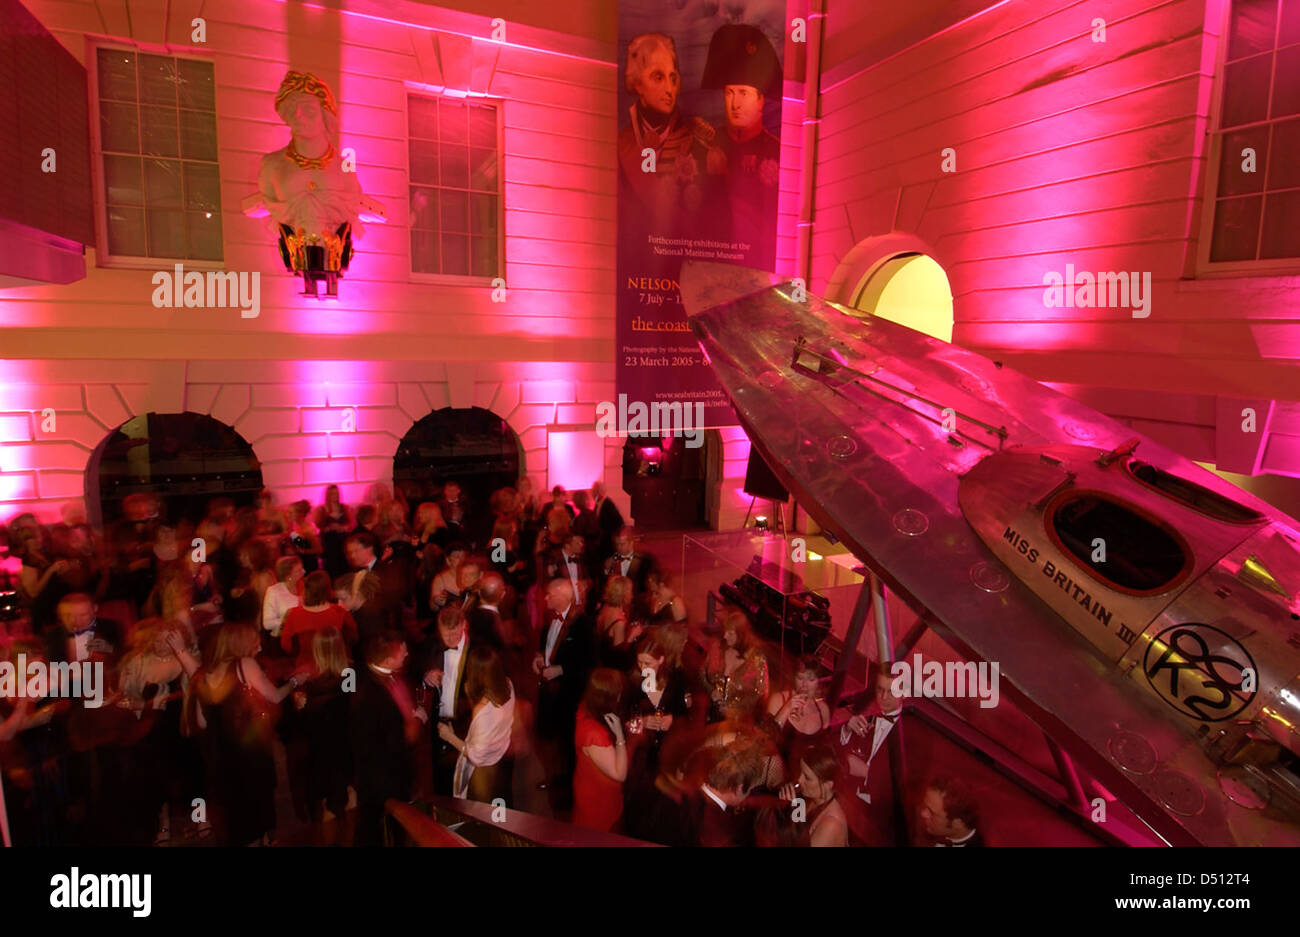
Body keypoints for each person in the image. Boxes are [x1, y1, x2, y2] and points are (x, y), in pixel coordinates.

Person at [185, 620, 303, 846]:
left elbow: (201, 721)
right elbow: (275, 696)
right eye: (254, 643)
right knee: (258, 806)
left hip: (221, 757)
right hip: (250, 752)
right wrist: (296, 681)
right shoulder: (244, 665)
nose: (258, 647)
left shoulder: (201, 676)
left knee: (236, 815)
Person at [617, 32, 723, 236]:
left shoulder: (697, 142)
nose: (669, 89)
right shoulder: (622, 143)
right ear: (638, 84)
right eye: (658, 77)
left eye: (672, 78)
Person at [700, 23, 783, 270]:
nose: (735, 103)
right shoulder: (704, 146)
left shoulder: (777, 152)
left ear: (761, 100)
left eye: (744, 93)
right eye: (729, 93)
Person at [116, 618, 200, 844]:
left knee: (192, 773)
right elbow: (125, 695)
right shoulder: (137, 663)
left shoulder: (188, 657)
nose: (165, 644)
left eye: (169, 640)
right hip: (152, 732)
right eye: (160, 640)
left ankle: (198, 817)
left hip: (183, 725)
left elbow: (201, 684)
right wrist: (132, 705)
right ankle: (163, 822)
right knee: (160, 778)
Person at [350, 630, 424, 846]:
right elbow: (395, 741)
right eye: (402, 652)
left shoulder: (380, 678)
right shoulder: (370, 695)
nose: (407, 653)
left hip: (381, 774)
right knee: (378, 829)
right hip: (382, 778)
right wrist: (415, 722)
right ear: (388, 660)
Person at [532, 578, 595, 813]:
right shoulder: (552, 617)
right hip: (550, 692)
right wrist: (539, 657)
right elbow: (546, 644)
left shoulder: (582, 624)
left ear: (562, 596)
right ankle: (557, 778)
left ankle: (570, 794)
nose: (545, 599)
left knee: (569, 744)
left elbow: (590, 664)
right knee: (553, 739)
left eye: (549, 595)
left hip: (569, 696)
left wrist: (560, 670)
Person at [293, 628, 353, 841]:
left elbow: (306, 727)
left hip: (320, 755)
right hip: (343, 750)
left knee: (321, 811)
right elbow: (349, 707)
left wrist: (301, 708)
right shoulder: (349, 674)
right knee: (340, 806)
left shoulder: (314, 689)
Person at [438, 644, 515, 806]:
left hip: (485, 769)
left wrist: (449, 737)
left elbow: (475, 755)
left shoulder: (483, 710)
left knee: (482, 813)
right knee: (500, 807)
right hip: (501, 758)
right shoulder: (508, 685)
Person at [840, 664, 905, 806]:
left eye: (891, 692)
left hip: (878, 809)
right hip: (849, 796)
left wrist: (867, 773)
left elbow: (904, 789)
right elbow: (842, 750)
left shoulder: (908, 732)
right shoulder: (867, 712)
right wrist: (847, 728)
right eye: (880, 689)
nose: (883, 697)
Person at [571, 667, 627, 832]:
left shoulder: (587, 708)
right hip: (597, 799)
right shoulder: (594, 734)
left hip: (589, 787)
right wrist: (620, 738)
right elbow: (620, 773)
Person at [281, 570, 358, 666]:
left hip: (305, 669)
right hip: (336, 667)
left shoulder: (294, 614)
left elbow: (286, 646)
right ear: (328, 590)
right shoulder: (340, 613)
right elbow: (353, 639)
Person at [704, 610, 769, 723]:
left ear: (741, 635)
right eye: (725, 632)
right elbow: (702, 674)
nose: (725, 636)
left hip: (740, 723)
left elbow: (761, 693)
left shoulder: (756, 659)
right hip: (713, 718)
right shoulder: (717, 648)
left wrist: (734, 708)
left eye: (730, 633)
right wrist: (712, 691)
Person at [778, 743, 848, 846]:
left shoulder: (831, 825)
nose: (799, 780)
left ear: (827, 785)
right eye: (801, 772)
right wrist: (786, 807)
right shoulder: (809, 799)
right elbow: (796, 830)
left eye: (807, 777)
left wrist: (790, 809)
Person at [766, 655, 830, 765]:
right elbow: (766, 741)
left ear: (818, 681)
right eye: (800, 678)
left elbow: (824, 751)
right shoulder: (778, 700)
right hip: (778, 771)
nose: (804, 685)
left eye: (811, 679)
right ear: (794, 678)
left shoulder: (823, 709)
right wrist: (786, 709)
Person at [920, 775, 984, 846]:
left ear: (958, 823)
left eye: (931, 812)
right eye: (925, 806)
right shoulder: (927, 832)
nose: (922, 813)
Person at [594, 575, 642, 670]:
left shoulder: (605, 608)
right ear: (624, 594)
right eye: (630, 591)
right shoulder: (619, 621)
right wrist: (631, 637)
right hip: (611, 671)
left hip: (601, 664)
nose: (632, 595)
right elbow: (619, 657)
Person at [262, 555, 304, 640]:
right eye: (298, 571)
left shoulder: (306, 587)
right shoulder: (274, 591)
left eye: (302, 569)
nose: (303, 572)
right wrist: (289, 619)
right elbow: (267, 623)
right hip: (281, 639)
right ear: (288, 576)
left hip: (303, 636)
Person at [315, 485, 352, 579]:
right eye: (332, 493)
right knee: (331, 566)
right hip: (329, 542)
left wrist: (342, 528)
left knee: (343, 565)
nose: (335, 495)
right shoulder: (322, 509)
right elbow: (319, 525)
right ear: (328, 495)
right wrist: (329, 527)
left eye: (336, 493)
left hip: (342, 540)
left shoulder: (344, 508)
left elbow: (350, 524)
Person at [591, 481, 624, 561]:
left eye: (594, 492)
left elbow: (619, 521)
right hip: (603, 539)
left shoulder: (607, 504)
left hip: (608, 539)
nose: (592, 494)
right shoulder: (598, 503)